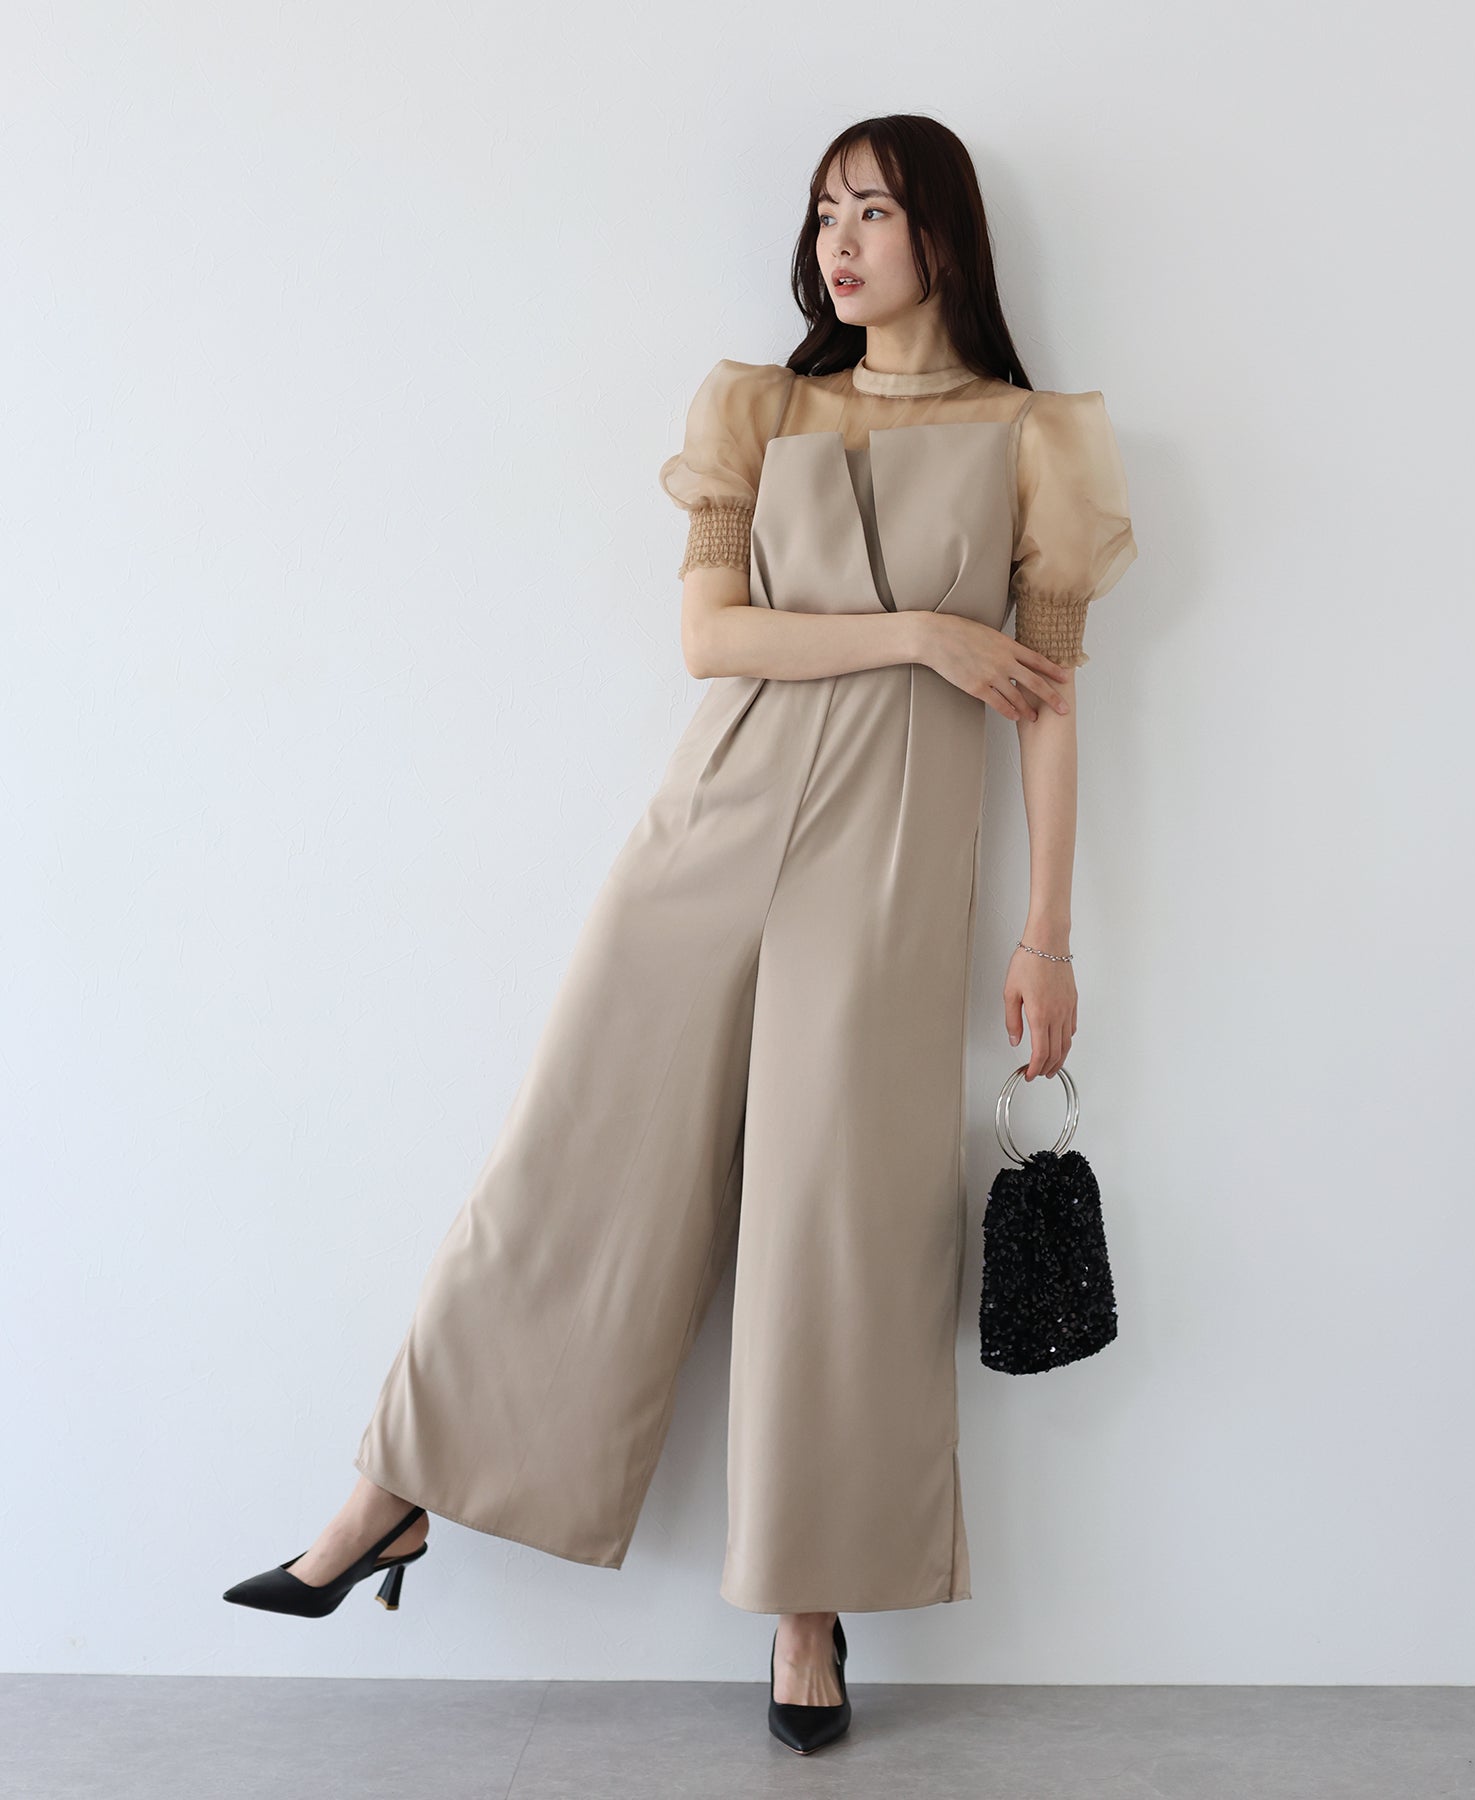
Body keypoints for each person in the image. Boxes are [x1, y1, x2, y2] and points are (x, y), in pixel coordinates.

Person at [223, 113, 1138, 1757]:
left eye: (873, 210)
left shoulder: (1033, 441)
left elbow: (1052, 706)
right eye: (824, 212)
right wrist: (922, 631)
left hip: (887, 863)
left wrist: (1049, 936)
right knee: (574, 1156)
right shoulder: (759, 409)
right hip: (713, 827)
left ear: (944, 233)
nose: (839, 241)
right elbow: (713, 638)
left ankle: (809, 1609)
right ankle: (395, 1487)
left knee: (834, 1222)